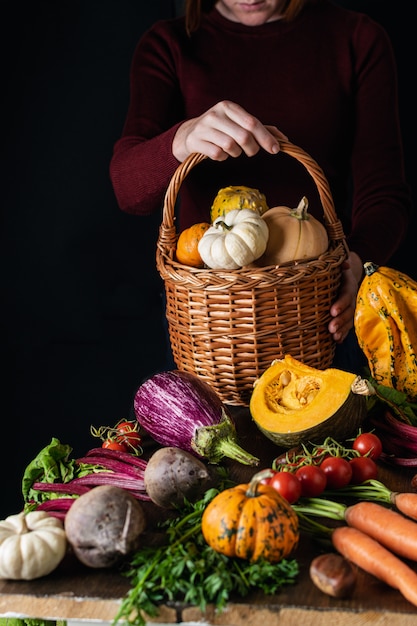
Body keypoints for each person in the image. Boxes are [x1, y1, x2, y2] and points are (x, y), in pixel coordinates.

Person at [110, 0, 411, 374]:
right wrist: (182, 139)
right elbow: (128, 191)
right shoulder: (169, 44)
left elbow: (384, 194)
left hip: (320, 308)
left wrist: (356, 262)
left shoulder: (357, 38)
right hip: (211, 322)